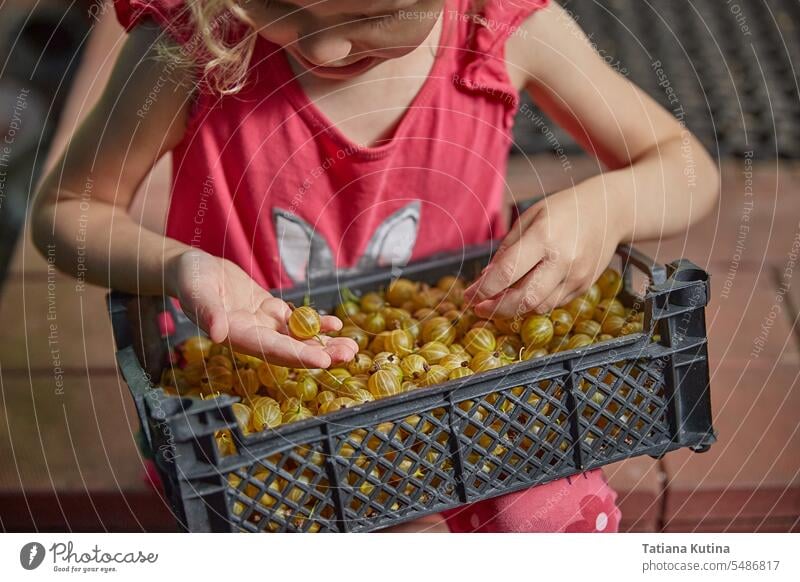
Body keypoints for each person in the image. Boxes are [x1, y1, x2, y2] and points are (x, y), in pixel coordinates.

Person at [32, 0, 719, 532]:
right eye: (282, 8)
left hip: (484, 414)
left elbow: (686, 167)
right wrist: (182, 266)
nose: (326, 45)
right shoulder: (195, 43)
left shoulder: (502, 28)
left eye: (372, 15)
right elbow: (67, 209)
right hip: (281, 440)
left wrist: (609, 206)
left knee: (543, 524)